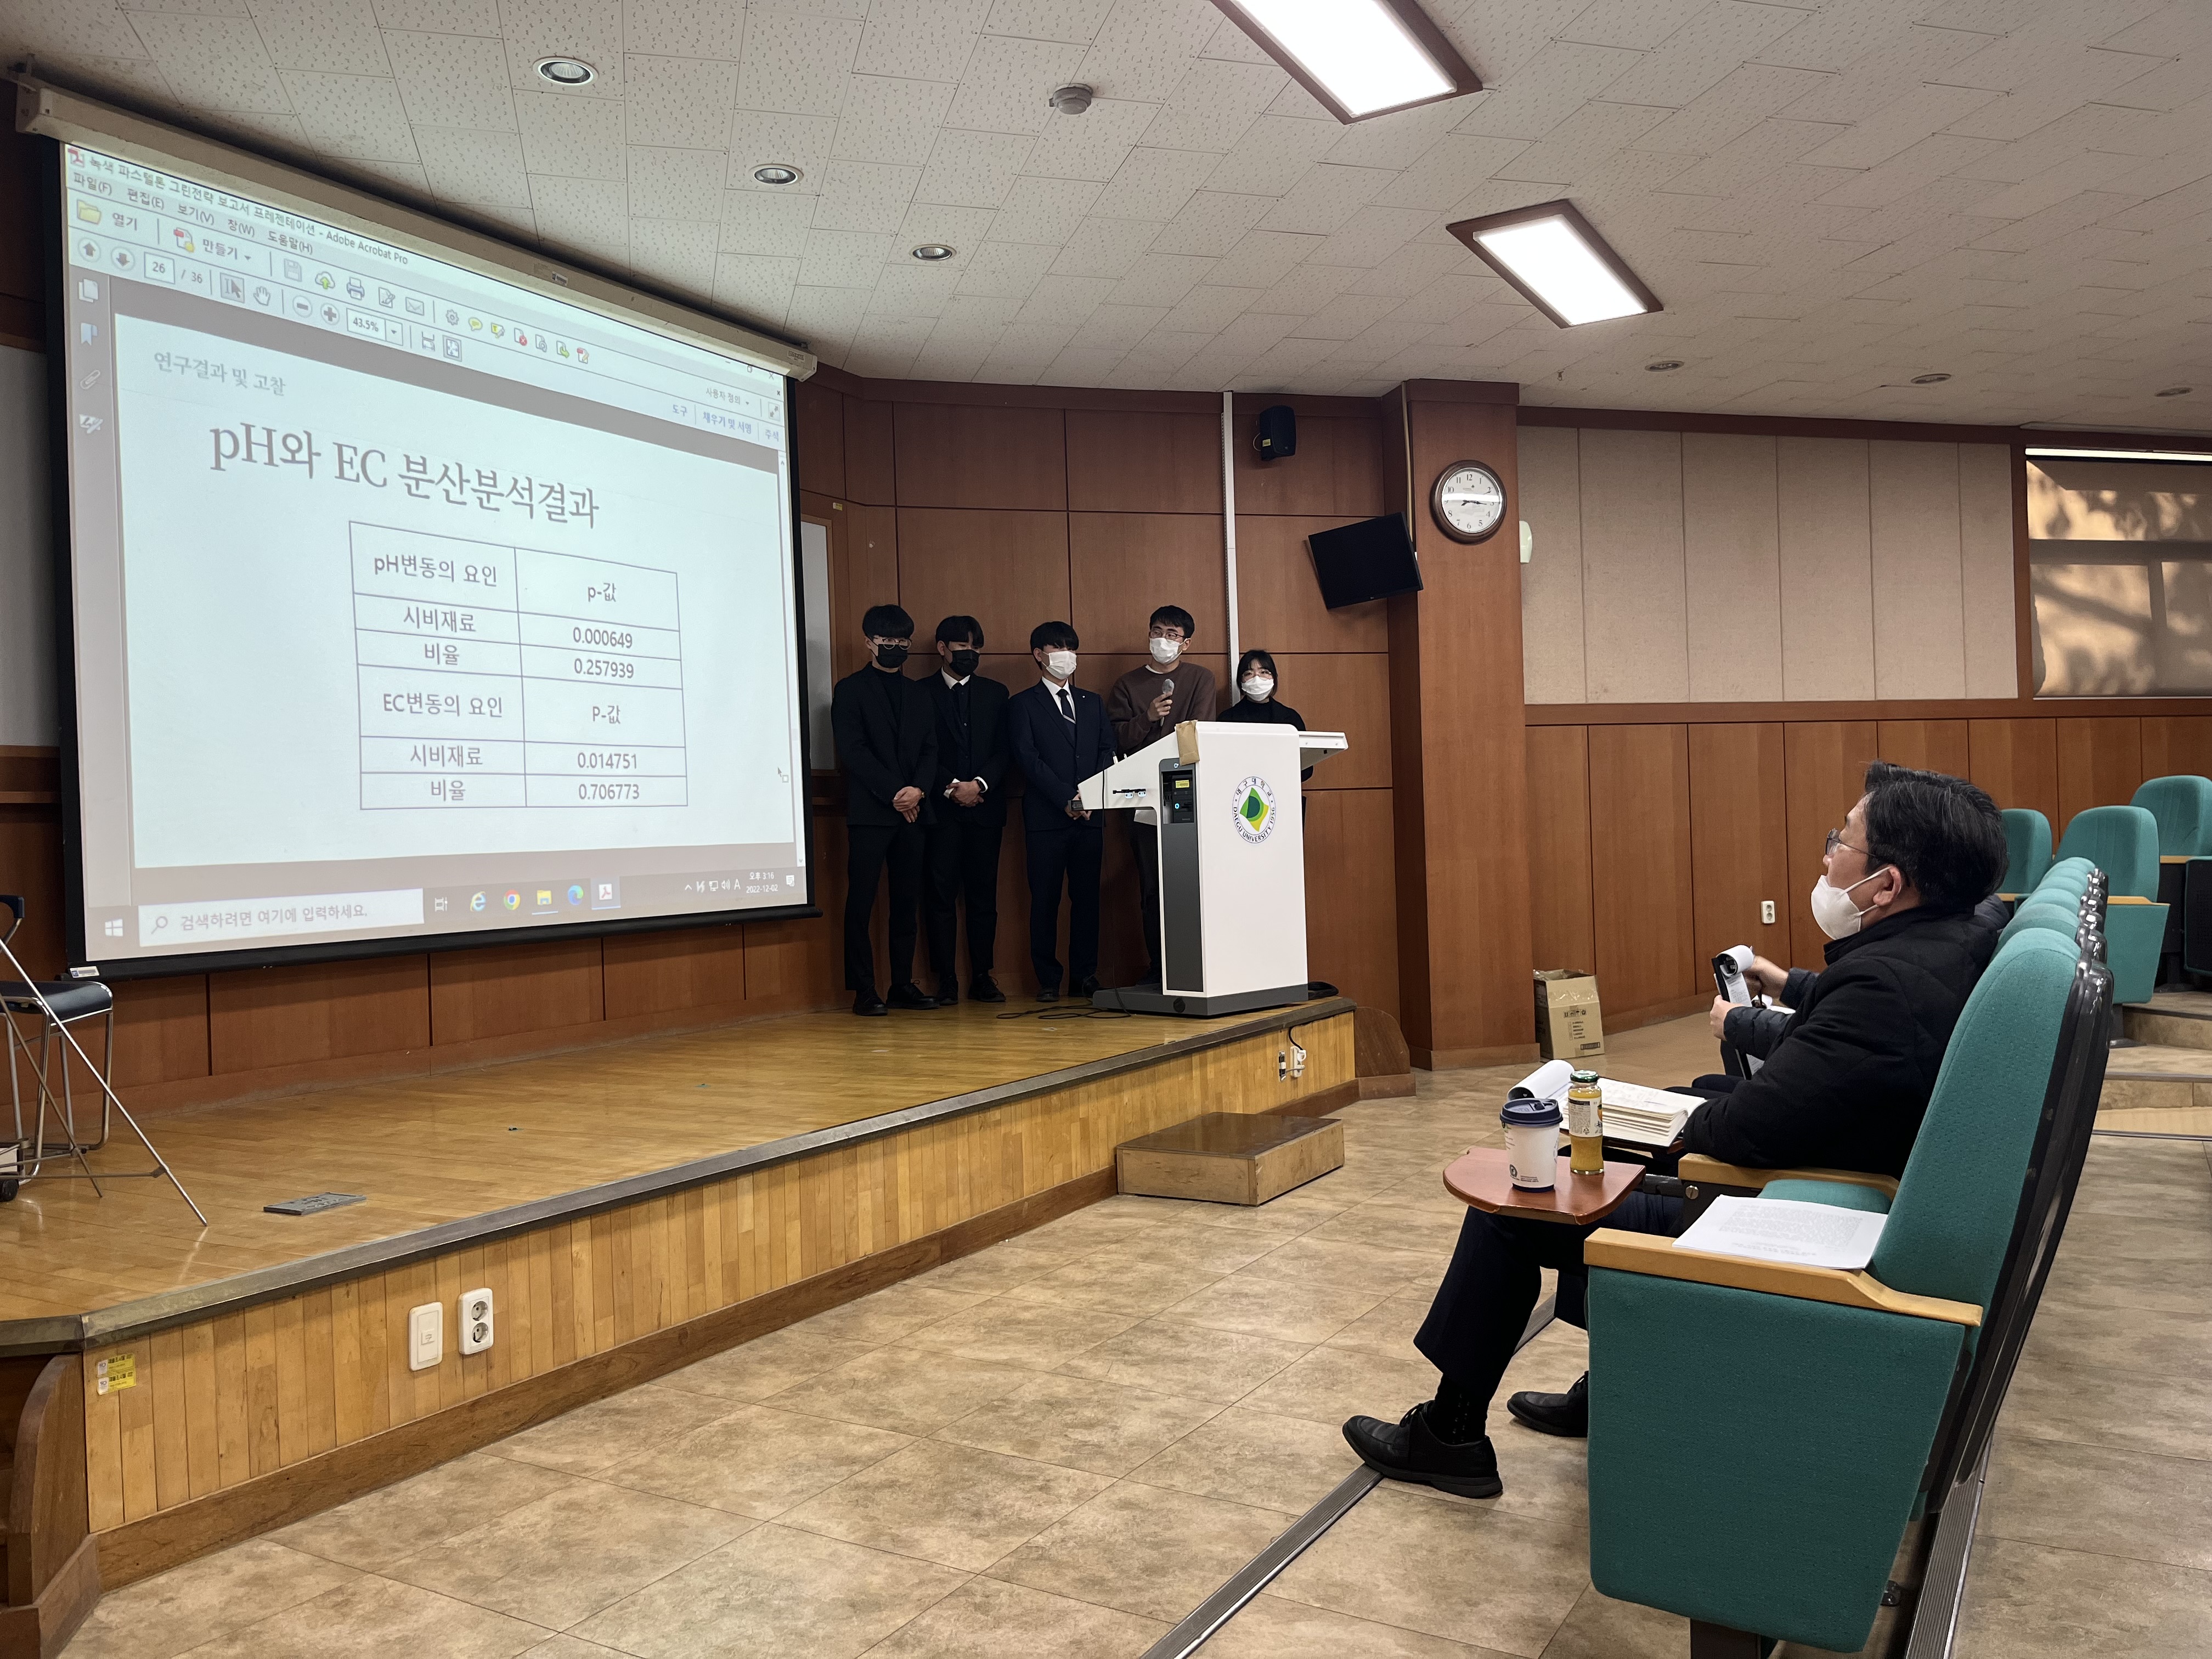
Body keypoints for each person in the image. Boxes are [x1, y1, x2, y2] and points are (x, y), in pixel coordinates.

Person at [1343, 762, 2009, 1497]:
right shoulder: (1958, 938)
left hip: (1786, 1210)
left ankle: (1450, 1435)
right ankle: (1616, 1385)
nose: (1827, 858)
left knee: (1521, 1201)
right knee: (1644, 1122)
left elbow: (1744, 1132)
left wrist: (1668, 1128)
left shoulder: (1884, 985)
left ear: (1886, 885)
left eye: (1841, 842)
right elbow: (1837, 1039)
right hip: (1840, 1179)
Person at [830, 604, 939, 1017]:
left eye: (902, 641)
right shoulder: (850, 689)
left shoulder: (919, 693)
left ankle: (902, 984)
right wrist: (896, 793)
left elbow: (931, 749)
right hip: (871, 813)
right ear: (869, 643)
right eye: (887, 640)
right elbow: (853, 751)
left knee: (906, 902)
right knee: (861, 902)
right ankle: (863, 989)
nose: (895, 647)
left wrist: (918, 791)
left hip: (914, 811)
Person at [1105, 605, 1218, 986]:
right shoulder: (1127, 685)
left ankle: (1195, 965)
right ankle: (1159, 967)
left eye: (1172, 634)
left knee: (1191, 882)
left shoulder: (1200, 678)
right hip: (1142, 797)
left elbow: (1198, 732)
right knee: (1152, 885)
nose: (1163, 640)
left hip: (1188, 791)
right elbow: (1116, 740)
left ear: (1186, 643)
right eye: (1157, 631)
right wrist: (1148, 718)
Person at [1007, 622, 1115, 1003]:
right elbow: (1028, 758)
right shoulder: (1022, 704)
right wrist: (1066, 798)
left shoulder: (1092, 702)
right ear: (1039, 655)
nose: (1067, 655)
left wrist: (1088, 798)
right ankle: (1048, 979)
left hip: (1090, 817)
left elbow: (1106, 750)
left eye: (1072, 648)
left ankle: (1084, 976)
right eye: (1058, 648)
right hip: (1047, 819)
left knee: (1087, 900)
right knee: (1045, 901)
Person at [924, 615, 1008, 1005]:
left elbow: (1005, 750)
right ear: (943, 649)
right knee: (939, 898)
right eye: (962, 647)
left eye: (976, 648)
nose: (970, 654)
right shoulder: (920, 693)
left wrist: (980, 785)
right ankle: (946, 980)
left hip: (985, 808)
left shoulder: (996, 693)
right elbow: (920, 751)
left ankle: (982, 976)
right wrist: (952, 787)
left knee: (983, 898)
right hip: (941, 811)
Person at [1217, 648, 1313, 782]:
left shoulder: (1290, 718)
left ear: (1274, 678)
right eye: (1249, 673)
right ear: (1241, 681)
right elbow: (1220, 765)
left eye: (1264, 672)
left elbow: (1306, 769)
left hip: (1282, 788)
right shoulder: (1226, 720)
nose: (1257, 678)